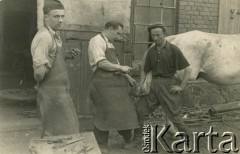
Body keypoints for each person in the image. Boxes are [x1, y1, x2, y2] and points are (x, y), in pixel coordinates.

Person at [88, 21, 139, 152]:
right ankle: (102, 144)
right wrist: (121, 67)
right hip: (102, 84)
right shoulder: (96, 41)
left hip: (116, 84)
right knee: (102, 112)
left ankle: (128, 140)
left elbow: (114, 65)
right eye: (117, 33)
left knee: (124, 111)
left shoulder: (109, 43)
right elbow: (101, 64)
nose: (118, 36)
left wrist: (127, 77)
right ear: (110, 29)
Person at [31, 0, 80, 137]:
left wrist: (66, 56)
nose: (60, 20)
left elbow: (52, 59)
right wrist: (42, 80)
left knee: (65, 129)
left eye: (62, 16)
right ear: (46, 17)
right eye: (56, 16)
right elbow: (39, 72)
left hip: (61, 92)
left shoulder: (55, 35)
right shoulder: (44, 37)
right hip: (51, 94)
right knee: (54, 132)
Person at [135, 22, 192, 139]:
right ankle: (136, 139)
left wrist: (181, 86)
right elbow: (145, 69)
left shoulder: (173, 50)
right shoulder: (151, 51)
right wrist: (141, 84)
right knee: (140, 110)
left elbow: (188, 69)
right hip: (154, 85)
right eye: (153, 35)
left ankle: (190, 138)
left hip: (168, 85)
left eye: (158, 35)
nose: (155, 38)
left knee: (175, 116)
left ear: (164, 34)